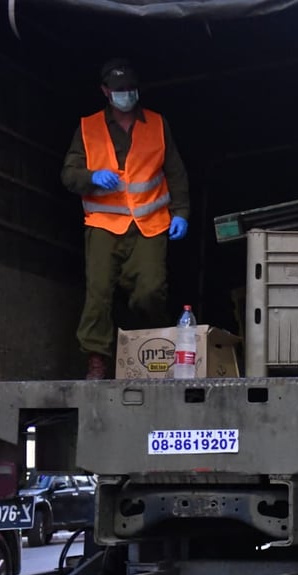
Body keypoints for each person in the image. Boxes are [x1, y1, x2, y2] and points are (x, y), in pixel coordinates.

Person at [61, 58, 191, 379]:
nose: (126, 95)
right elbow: (69, 174)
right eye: (119, 90)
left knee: (150, 291)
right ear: (105, 91)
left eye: (131, 89)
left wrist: (182, 213)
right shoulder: (88, 127)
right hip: (105, 224)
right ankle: (96, 360)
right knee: (99, 294)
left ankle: (149, 345)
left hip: (150, 223)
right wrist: (92, 176)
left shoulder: (158, 125)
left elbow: (175, 172)